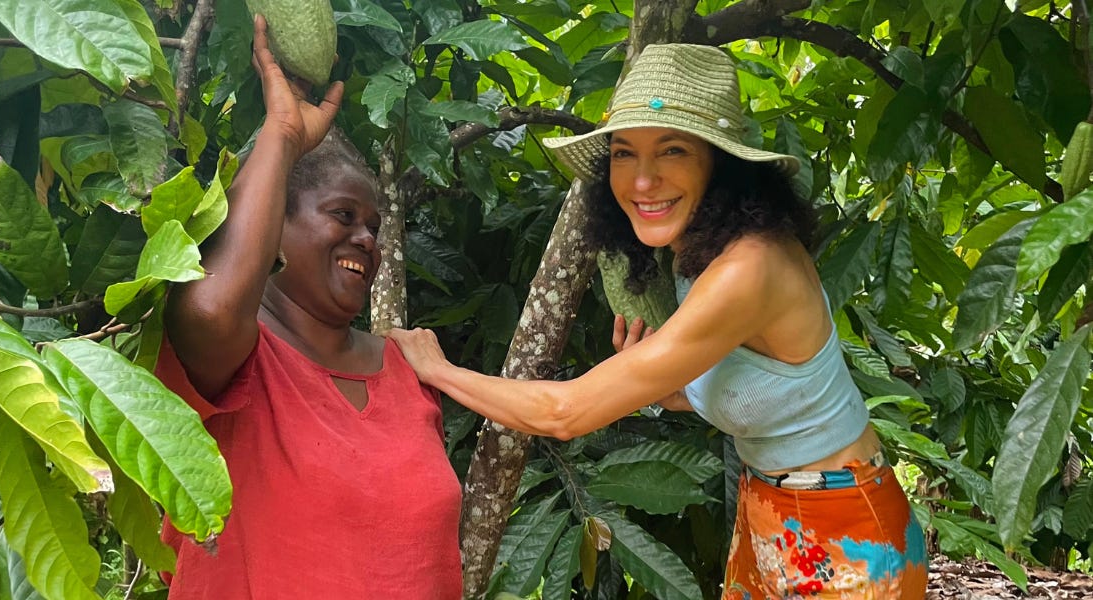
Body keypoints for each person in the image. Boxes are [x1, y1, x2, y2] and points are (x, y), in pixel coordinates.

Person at [388, 44, 927, 598]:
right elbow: (773, 390)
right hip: (770, 504)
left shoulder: (750, 269)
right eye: (624, 154)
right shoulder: (701, 249)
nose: (642, 181)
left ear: (722, 165)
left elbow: (564, 413)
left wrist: (437, 369)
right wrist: (665, 387)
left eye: (671, 151)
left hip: (843, 525)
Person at [156, 15, 462, 599]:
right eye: (343, 216)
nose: (366, 240)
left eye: (374, 227)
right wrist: (282, 135)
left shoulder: (407, 369)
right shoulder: (240, 359)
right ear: (275, 226)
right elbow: (211, 312)